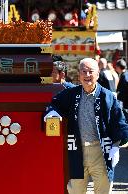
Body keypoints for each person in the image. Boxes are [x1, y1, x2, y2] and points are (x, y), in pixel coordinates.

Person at [44, 58, 128, 193]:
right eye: (83, 71)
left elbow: (119, 122)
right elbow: (55, 104)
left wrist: (116, 146)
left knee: (103, 189)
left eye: (90, 71)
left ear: (98, 73)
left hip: (100, 150)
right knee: (76, 190)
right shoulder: (71, 94)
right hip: (77, 150)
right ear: (79, 74)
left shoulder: (107, 96)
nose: (87, 75)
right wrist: (53, 113)